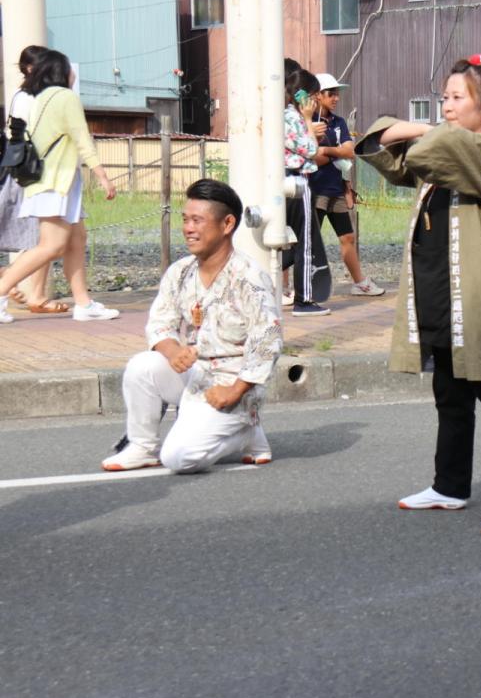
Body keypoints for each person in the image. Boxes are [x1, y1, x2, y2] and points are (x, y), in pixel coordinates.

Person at [355, 54, 481, 535]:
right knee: (450, 394)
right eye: (445, 97)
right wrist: (412, 128)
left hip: (478, 295)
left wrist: (414, 127)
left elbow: (431, 143)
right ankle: (449, 486)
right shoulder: (445, 150)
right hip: (438, 289)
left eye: (458, 98)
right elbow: (381, 146)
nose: (448, 107)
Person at [102, 179, 282, 474]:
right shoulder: (180, 271)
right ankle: (142, 446)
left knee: (179, 459)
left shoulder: (250, 277)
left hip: (234, 383)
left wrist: (235, 390)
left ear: (227, 224)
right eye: (185, 220)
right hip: (197, 374)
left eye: (197, 220)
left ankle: (245, 431)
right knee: (143, 365)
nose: (188, 228)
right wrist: (173, 352)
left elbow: (268, 340)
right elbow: (160, 324)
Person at [0, 50, 118, 324]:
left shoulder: (41, 98)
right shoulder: (65, 97)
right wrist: (102, 175)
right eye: (69, 67)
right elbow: (82, 139)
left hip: (55, 182)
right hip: (56, 182)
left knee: (76, 241)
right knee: (51, 246)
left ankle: (84, 304)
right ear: (61, 71)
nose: (73, 72)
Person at [310, 72, 384, 297]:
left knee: (348, 237)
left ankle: (359, 282)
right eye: (330, 94)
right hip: (315, 190)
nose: (336, 98)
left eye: (337, 94)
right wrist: (333, 153)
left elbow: (350, 152)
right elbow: (312, 158)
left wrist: (326, 151)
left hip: (336, 190)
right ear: (317, 96)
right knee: (309, 241)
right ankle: (297, 287)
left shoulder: (339, 121)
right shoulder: (307, 122)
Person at [0, 45, 59, 313]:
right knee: (46, 237)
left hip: (31, 170)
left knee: (46, 236)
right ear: (32, 68)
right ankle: (11, 282)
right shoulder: (27, 97)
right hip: (30, 172)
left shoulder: (31, 95)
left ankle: (29, 289)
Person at [279, 65, 333, 316]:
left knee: (292, 240)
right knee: (305, 240)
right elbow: (311, 150)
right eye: (313, 94)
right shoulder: (292, 118)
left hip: (290, 181)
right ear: (302, 96)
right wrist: (310, 122)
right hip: (298, 181)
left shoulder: (288, 117)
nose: (315, 100)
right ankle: (304, 299)